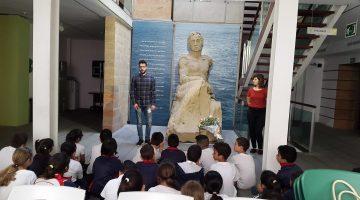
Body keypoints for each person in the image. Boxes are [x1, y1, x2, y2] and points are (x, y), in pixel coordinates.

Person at [167, 32, 222, 143]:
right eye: (193, 41)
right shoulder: (184, 60)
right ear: (189, 43)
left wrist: (204, 84)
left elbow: (206, 79)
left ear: (202, 43)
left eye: (198, 41)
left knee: (214, 106)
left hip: (204, 90)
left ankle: (206, 129)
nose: (196, 43)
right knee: (200, 85)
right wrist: (200, 81)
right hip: (187, 88)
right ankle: (198, 127)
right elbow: (183, 79)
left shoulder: (207, 60)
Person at [130, 59, 156, 145]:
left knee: (149, 123)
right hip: (138, 105)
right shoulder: (135, 78)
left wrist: (153, 103)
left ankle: (147, 139)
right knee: (139, 123)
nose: (142, 68)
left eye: (143, 66)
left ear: (146, 67)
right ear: (139, 67)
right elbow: (132, 91)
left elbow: (153, 91)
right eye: (140, 67)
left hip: (148, 104)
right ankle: (140, 139)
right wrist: (134, 103)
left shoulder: (151, 78)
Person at [247, 74, 267, 155]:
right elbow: (248, 98)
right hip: (251, 112)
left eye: (255, 79)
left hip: (261, 112)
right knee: (252, 130)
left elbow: (267, 100)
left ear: (260, 80)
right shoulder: (250, 90)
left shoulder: (265, 90)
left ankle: (260, 148)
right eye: (253, 79)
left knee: (258, 131)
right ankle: (254, 147)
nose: (253, 80)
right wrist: (250, 105)